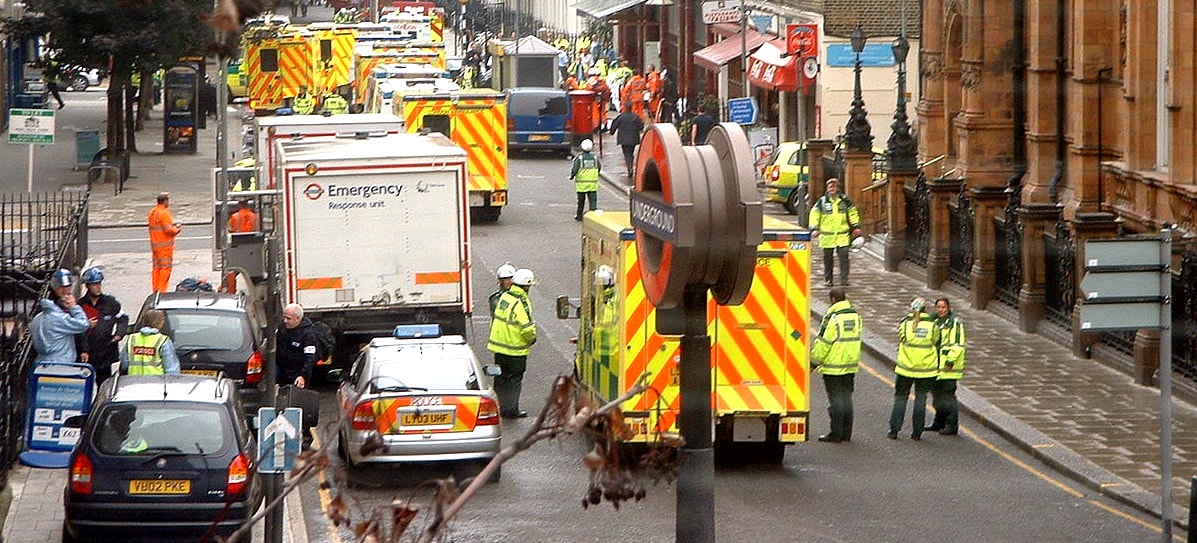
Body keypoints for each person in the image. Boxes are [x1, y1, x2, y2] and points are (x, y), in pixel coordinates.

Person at [811, 287, 862, 443]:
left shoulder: (832, 318)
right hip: (850, 364)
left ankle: (836, 433)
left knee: (836, 401)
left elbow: (824, 342)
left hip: (833, 366)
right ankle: (847, 433)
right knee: (847, 398)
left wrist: (813, 362)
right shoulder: (856, 316)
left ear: (833, 299)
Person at [888, 297, 941, 440]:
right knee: (921, 399)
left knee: (900, 397)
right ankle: (917, 433)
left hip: (905, 369)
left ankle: (894, 430)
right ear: (925, 309)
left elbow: (901, 338)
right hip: (926, 370)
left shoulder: (905, 324)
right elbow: (936, 340)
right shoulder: (933, 326)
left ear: (912, 309)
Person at [488, 268, 537, 418]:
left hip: (499, 347)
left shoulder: (504, 297)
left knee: (500, 378)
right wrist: (532, 338)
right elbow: (526, 327)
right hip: (515, 349)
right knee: (514, 379)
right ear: (526, 286)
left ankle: (498, 407)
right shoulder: (521, 301)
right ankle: (511, 409)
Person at [808, 178, 862, 287]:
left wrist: (856, 226)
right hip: (827, 236)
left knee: (844, 257)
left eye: (834, 186)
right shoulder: (822, 202)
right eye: (830, 187)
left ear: (838, 188)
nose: (832, 189)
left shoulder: (845, 201)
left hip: (842, 235)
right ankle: (828, 280)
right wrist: (814, 228)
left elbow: (852, 213)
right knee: (828, 259)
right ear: (827, 189)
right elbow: (814, 215)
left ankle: (844, 279)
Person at [31, 269, 92, 364]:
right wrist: (74, 307)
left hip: (41, 364)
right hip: (61, 364)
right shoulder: (59, 319)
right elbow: (83, 324)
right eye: (64, 287)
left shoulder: (37, 318)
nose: (67, 291)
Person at [79, 267, 129, 384]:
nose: (97, 287)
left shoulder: (110, 303)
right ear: (87, 286)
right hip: (88, 352)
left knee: (104, 383)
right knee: (85, 384)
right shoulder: (81, 305)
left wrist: (119, 334)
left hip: (105, 352)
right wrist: (84, 350)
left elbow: (123, 318)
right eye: (94, 284)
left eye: (99, 284)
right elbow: (79, 331)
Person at [927, 297, 967, 436]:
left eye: (943, 307)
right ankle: (938, 422)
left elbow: (957, 346)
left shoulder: (955, 324)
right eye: (938, 307)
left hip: (948, 367)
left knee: (948, 396)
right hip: (935, 366)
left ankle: (952, 425)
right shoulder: (933, 321)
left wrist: (950, 361)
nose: (941, 310)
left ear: (948, 308)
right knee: (937, 395)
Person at [120, 309, 181, 375]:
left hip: (134, 382)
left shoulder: (132, 338)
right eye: (162, 320)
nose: (163, 322)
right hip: (155, 382)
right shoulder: (163, 341)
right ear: (158, 322)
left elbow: (124, 364)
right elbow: (172, 369)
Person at [277, 303, 319, 388]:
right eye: (284, 317)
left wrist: (303, 376)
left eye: (288, 318)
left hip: (297, 376)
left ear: (297, 319)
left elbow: (310, 358)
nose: (285, 321)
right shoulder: (282, 329)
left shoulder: (308, 335)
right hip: (283, 373)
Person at [148, 192, 182, 293]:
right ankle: (162, 291)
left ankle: (155, 289)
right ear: (165, 201)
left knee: (156, 268)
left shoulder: (153, 212)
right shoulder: (164, 213)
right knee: (165, 269)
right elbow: (169, 230)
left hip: (155, 246)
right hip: (165, 247)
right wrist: (177, 229)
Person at [608, 101, 645, 179]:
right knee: (630, 153)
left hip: (623, 140)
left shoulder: (621, 117)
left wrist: (612, 132)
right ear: (631, 108)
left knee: (626, 154)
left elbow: (614, 126)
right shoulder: (635, 117)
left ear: (624, 107)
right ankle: (630, 166)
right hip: (633, 139)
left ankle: (630, 168)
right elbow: (641, 126)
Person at [571, 139, 601, 221]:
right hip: (592, 184)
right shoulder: (595, 158)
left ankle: (579, 215)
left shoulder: (580, 158)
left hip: (581, 184)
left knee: (581, 201)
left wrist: (572, 176)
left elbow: (575, 169)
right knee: (593, 201)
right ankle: (593, 216)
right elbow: (599, 167)